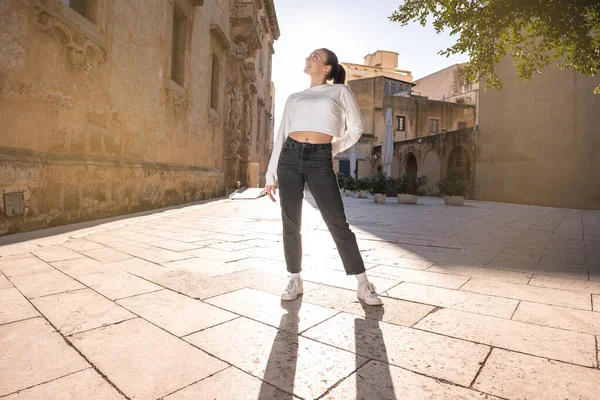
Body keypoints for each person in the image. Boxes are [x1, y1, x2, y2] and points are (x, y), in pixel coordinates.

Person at [265, 48, 382, 306]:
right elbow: (282, 134)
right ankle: (295, 278)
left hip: (320, 158)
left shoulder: (340, 92)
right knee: (290, 222)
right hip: (290, 157)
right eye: (308, 55)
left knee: (337, 221)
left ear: (327, 68)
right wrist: (270, 174)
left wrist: (333, 148)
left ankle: (363, 283)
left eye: (315, 56)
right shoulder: (294, 97)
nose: (308, 58)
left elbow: (356, 129)